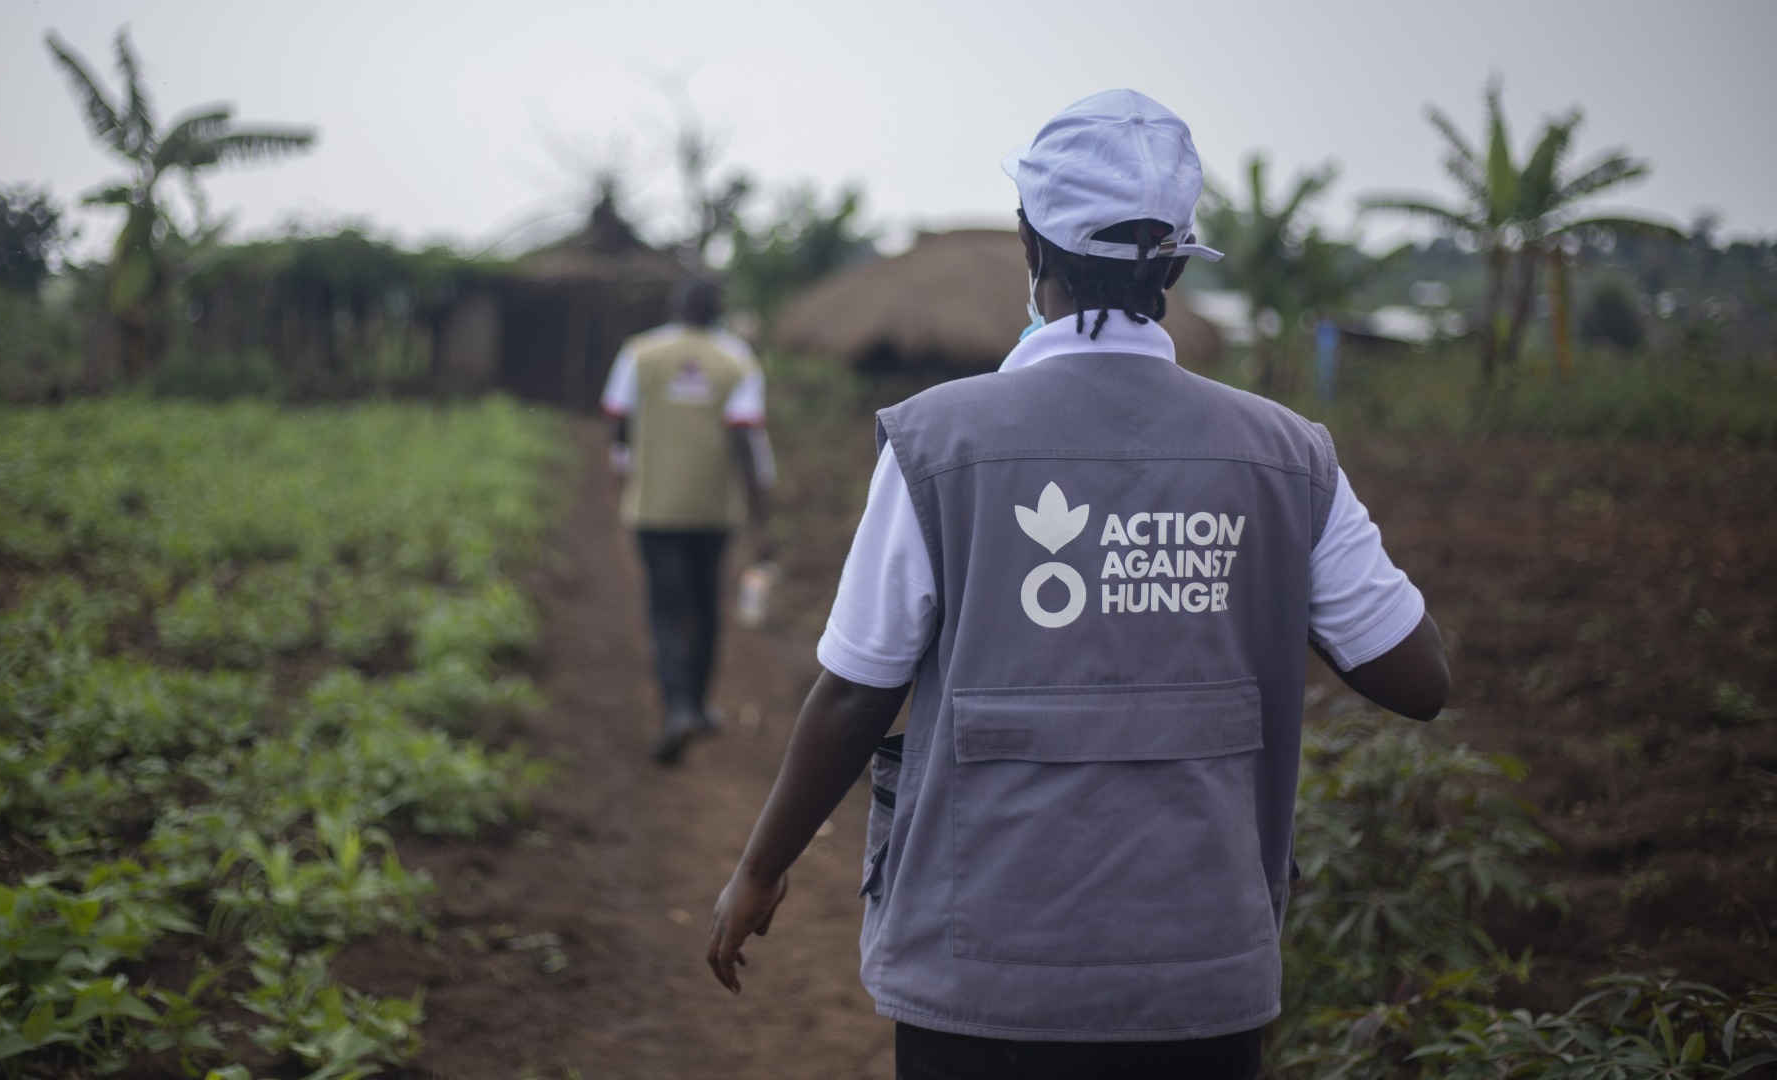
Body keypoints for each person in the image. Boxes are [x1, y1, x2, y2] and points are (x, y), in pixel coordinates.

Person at [705, 89, 1449, 1079]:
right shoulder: (1284, 457)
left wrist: (759, 872)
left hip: (983, 977)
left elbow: (855, 687)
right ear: (1178, 262)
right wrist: (1229, 566)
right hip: (1202, 980)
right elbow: (1417, 678)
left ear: (1031, 246)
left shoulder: (940, 442)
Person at [602, 278, 775, 765]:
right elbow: (748, 443)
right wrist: (762, 519)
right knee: (705, 603)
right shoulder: (738, 359)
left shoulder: (640, 353)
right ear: (717, 312)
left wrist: (623, 470)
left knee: (663, 604)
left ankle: (676, 705)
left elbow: (618, 421)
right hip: (714, 508)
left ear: (675, 306)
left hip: (654, 504)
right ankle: (697, 703)